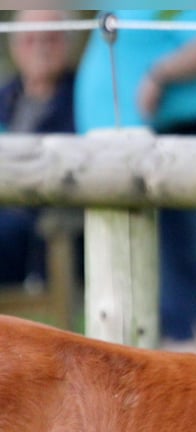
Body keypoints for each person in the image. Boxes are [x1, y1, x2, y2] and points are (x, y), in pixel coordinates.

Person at [76, 10, 196, 353]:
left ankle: (188, 347)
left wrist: (159, 75)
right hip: (132, 146)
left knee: (173, 249)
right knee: (160, 251)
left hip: (168, 138)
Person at [0, 10, 77, 286]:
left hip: (40, 219)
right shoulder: (5, 95)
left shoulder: (80, 97)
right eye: (31, 40)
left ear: (67, 43)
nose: (41, 48)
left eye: (51, 39)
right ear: (15, 47)